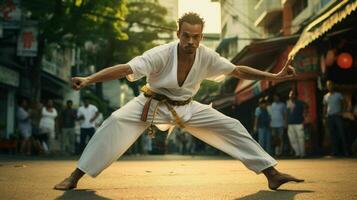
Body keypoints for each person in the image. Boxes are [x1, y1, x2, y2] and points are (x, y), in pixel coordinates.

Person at [54, 12, 303, 191]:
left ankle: (271, 173)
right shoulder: (160, 54)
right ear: (178, 34)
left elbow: (237, 70)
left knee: (232, 126)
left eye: (196, 37)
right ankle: (76, 176)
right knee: (115, 121)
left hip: (187, 107)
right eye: (186, 36)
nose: (191, 42)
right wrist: (88, 79)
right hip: (151, 104)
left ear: (202, 36)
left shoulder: (207, 56)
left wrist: (275, 75)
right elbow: (124, 68)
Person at [323, 80, 348, 156]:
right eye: (328, 85)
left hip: (337, 116)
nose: (329, 86)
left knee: (342, 133)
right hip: (330, 116)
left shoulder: (338, 95)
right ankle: (335, 151)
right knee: (332, 135)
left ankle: (346, 151)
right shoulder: (326, 96)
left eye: (330, 85)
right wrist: (324, 117)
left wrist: (342, 112)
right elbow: (325, 107)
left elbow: (345, 103)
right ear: (327, 87)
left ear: (333, 85)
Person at [286, 89, 308, 158]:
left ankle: (302, 154)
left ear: (295, 95)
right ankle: (297, 153)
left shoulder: (300, 102)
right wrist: (286, 122)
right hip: (290, 123)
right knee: (292, 139)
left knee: (300, 138)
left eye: (292, 94)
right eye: (290, 94)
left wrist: (304, 118)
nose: (290, 96)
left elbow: (306, 109)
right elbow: (287, 113)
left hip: (299, 123)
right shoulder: (288, 102)